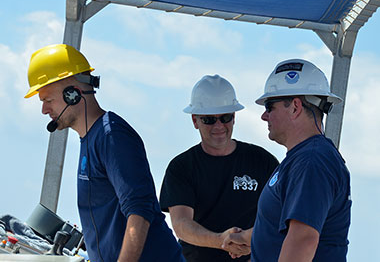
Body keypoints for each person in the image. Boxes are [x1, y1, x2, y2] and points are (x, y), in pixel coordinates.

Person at [24, 44, 185, 262]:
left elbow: (139, 211)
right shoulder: (92, 138)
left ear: (72, 94)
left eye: (47, 100)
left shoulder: (112, 136)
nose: (44, 109)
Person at [225, 59, 352, 261]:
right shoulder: (303, 160)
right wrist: (244, 238)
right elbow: (283, 227)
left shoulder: (311, 162)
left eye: (269, 107)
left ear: (295, 107)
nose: (264, 116)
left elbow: (303, 239)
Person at [159, 74, 279, 261]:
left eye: (225, 118)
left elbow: (280, 217)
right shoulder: (181, 167)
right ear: (195, 121)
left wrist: (251, 241)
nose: (219, 126)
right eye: (209, 119)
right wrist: (222, 240)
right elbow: (182, 224)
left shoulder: (263, 161)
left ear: (234, 118)